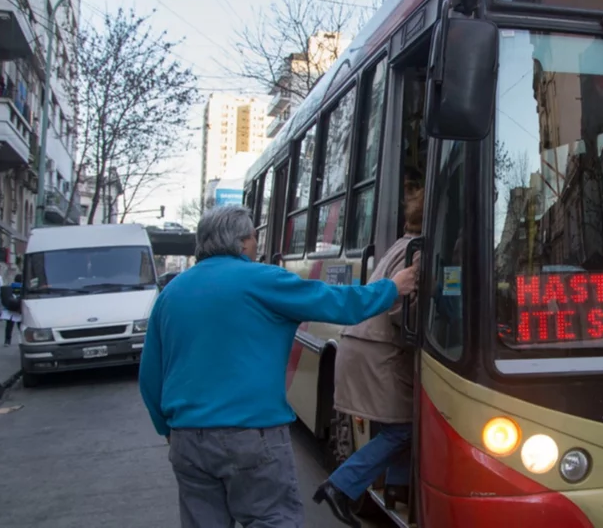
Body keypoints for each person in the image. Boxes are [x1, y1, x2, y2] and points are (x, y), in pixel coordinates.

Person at [138, 205, 419, 528]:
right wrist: (393, 287)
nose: (256, 245)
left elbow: (149, 377)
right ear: (241, 242)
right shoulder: (264, 281)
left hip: (188, 440)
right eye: (254, 238)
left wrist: (168, 430)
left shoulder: (171, 293)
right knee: (272, 519)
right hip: (252, 435)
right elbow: (341, 304)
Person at [315, 186, 424, 527]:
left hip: (364, 344)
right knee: (404, 428)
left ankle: (396, 490)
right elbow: (403, 311)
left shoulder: (402, 244)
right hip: (379, 351)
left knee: (401, 423)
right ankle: (339, 486)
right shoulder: (420, 253)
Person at [0, 274, 24, 346]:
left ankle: (7, 341)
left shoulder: (10, 286)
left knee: (9, 326)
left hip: (10, 309)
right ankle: (22, 340)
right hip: (19, 309)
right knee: (20, 326)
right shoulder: (23, 287)